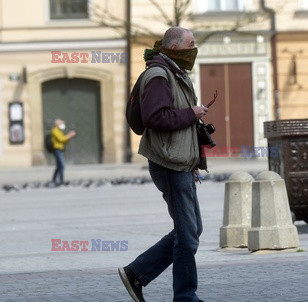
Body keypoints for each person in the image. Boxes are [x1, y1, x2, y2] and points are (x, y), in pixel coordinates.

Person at [118, 26, 208, 302]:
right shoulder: (159, 75)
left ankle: (136, 272)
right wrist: (191, 113)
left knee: (192, 230)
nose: (195, 48)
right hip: (168, 163)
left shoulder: (176, 74)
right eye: (191, 44)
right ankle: (185, 297)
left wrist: (194, 160)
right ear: (175, 47)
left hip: (181, 163)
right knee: (188, 236)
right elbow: (156, 117)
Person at [50, 118, 76, 186]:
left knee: (59, 166)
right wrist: (69, 136)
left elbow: (64, 141)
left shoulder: (59, 131)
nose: (63, 125)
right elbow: (61, 139)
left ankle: (53, 180)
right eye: (61, 123)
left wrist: (69, 137)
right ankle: (61, 181)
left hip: (60, 150)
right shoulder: (54, 131)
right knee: (62, 165)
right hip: (57, 150)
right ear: (57, 124)